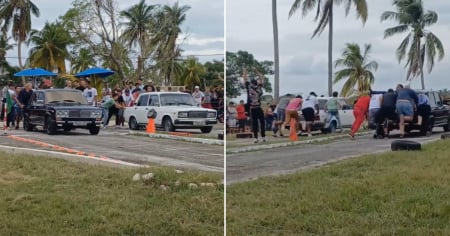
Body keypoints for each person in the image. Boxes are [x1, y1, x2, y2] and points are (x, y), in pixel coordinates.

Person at [244, 67, 266, 143]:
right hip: (258, 107)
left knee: (255, 124)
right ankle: (263, 137)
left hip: (253, 108)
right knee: (262, 123)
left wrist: (245, 71)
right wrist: (256, 70)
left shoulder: (249, 87)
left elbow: (245, 78)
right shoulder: (259, 87)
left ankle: (256, 138)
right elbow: (262, 77)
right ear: (256, 83)